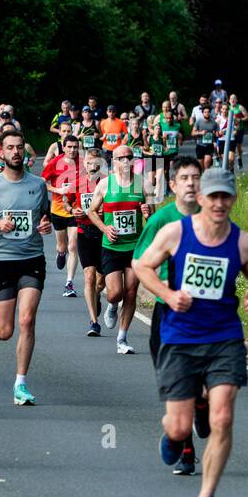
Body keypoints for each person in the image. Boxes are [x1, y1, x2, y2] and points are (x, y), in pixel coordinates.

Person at [133, 167, 248, 497]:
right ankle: (175, 436)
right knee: (179, 427)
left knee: (222, 418)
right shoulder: (176, 232)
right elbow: (142, 267)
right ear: (202, 199)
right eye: (214, 197)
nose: (220, 203)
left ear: (233, 199)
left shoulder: (242, 242)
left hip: (224, 337)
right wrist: (167, 294)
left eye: (226, 196)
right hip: (179, 339)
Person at [0, 129, 54, 406]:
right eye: (10, 148)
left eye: (20, 147)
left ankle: (21, 383)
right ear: (2, 152)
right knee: (8, 330)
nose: (16, 152)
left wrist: (46, 225)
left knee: (27, 320)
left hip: (32, 259)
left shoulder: (38, 184)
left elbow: (45, 217)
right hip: (1, 260)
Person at [134, 156, 203, 474]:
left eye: (196, 177)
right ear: (173, 184)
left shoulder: (213, 217)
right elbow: (139, 262)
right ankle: (187, 450)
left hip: (206, 314)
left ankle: (202, 403)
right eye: (184, 178)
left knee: (201, 386)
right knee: (176, 384)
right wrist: (164, 291)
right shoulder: (161, 220)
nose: (191, 183)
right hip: (169, 313)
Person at [87, 144, 153, 354]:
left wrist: (147, 212)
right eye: (120, 158)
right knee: (115, 293)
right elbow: (91, 211)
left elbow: (153, 217)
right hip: (112, 246)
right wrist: (105, 228)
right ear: (113, 162)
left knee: (131, 292)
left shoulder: (143, 185)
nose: (125, 161)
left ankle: (122, 339)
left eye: (129, 157)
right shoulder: (105, 185)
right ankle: (113, 306)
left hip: (135, 246)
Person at [71, 147, 108, 335]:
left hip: (103, 232)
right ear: (84, 163)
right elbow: (67, 201)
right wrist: (73, 210)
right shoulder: (77, 183)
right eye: (88, 161)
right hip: (84, 231)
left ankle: (97, 297)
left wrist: (104, 211)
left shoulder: (107, 183)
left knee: (101, 281)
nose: (91, 165)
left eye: (95, 162)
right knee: (89, 275)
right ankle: (94, 322)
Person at [42, 135, 83, 297]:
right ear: (64, 147)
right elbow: (42, 183)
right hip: (58, 210)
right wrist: (58, 190)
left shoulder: (83, 162)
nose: (72, 150)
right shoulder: (55, 163)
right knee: (63, 247)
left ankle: (69, 283)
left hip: (75, 210)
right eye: (69, 147)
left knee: (73, 246)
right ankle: (60, 253)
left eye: (75, 147)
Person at [191, 104, 220, 170]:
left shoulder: (214, 123)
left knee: (207, 162)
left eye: (208, 112)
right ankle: (203, 177)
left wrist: (217, 134)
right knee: (201, 167)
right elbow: (192, 133)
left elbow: (216, 133)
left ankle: (207, 177)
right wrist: (200, 133)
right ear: (203, 113)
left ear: (210, 113)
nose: (207, 113)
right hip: (200, 145)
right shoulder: (198, 121)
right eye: (205, 112)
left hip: (209, 145)